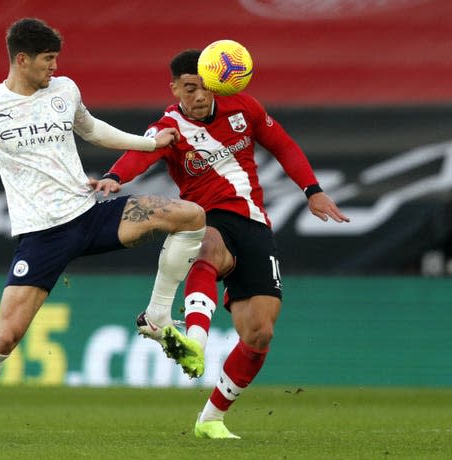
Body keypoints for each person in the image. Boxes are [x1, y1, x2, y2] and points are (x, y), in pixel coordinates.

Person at [0, 19, 206, 441]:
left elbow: (93, 129)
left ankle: (157, 317)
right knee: (6, 336)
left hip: (89, 214)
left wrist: (150, 144)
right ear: (21, 60)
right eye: (47, 60)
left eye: (56, 59)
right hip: (42, 235)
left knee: (189, 215)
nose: (54, 67)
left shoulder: (65, 91)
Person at [93, 49, 349, 439]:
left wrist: (312, 190)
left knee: (259, 333)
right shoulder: (169, 126)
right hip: (205, 216)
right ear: (175, 87)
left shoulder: (243, 107)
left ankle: (210, 418)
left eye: (205, 87)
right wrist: (115, 176)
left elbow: (283, 146)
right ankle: (195, 341)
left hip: (254, 223)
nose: (199, 96)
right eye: (189, 88)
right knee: (208, 247)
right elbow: (138, 155)